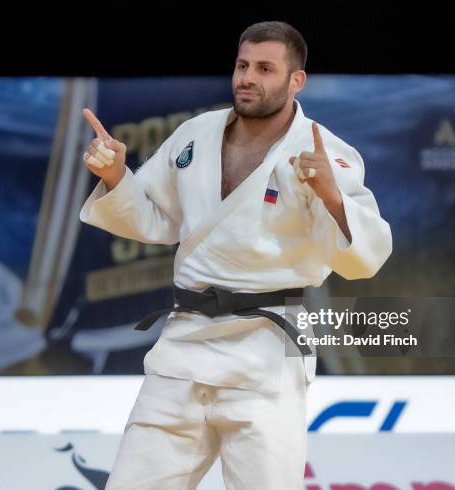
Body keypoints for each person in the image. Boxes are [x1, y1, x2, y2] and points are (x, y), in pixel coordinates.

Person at [79, 20, 392, 490]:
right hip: (182, 352)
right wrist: (116, 176)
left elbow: (365, 259)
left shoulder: (327, 155)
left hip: (266, 353)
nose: (247, 77)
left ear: (295, 80)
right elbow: (154, 219)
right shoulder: (194, 135)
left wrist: (331, 196)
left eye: (265, 68)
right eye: (243, 65)